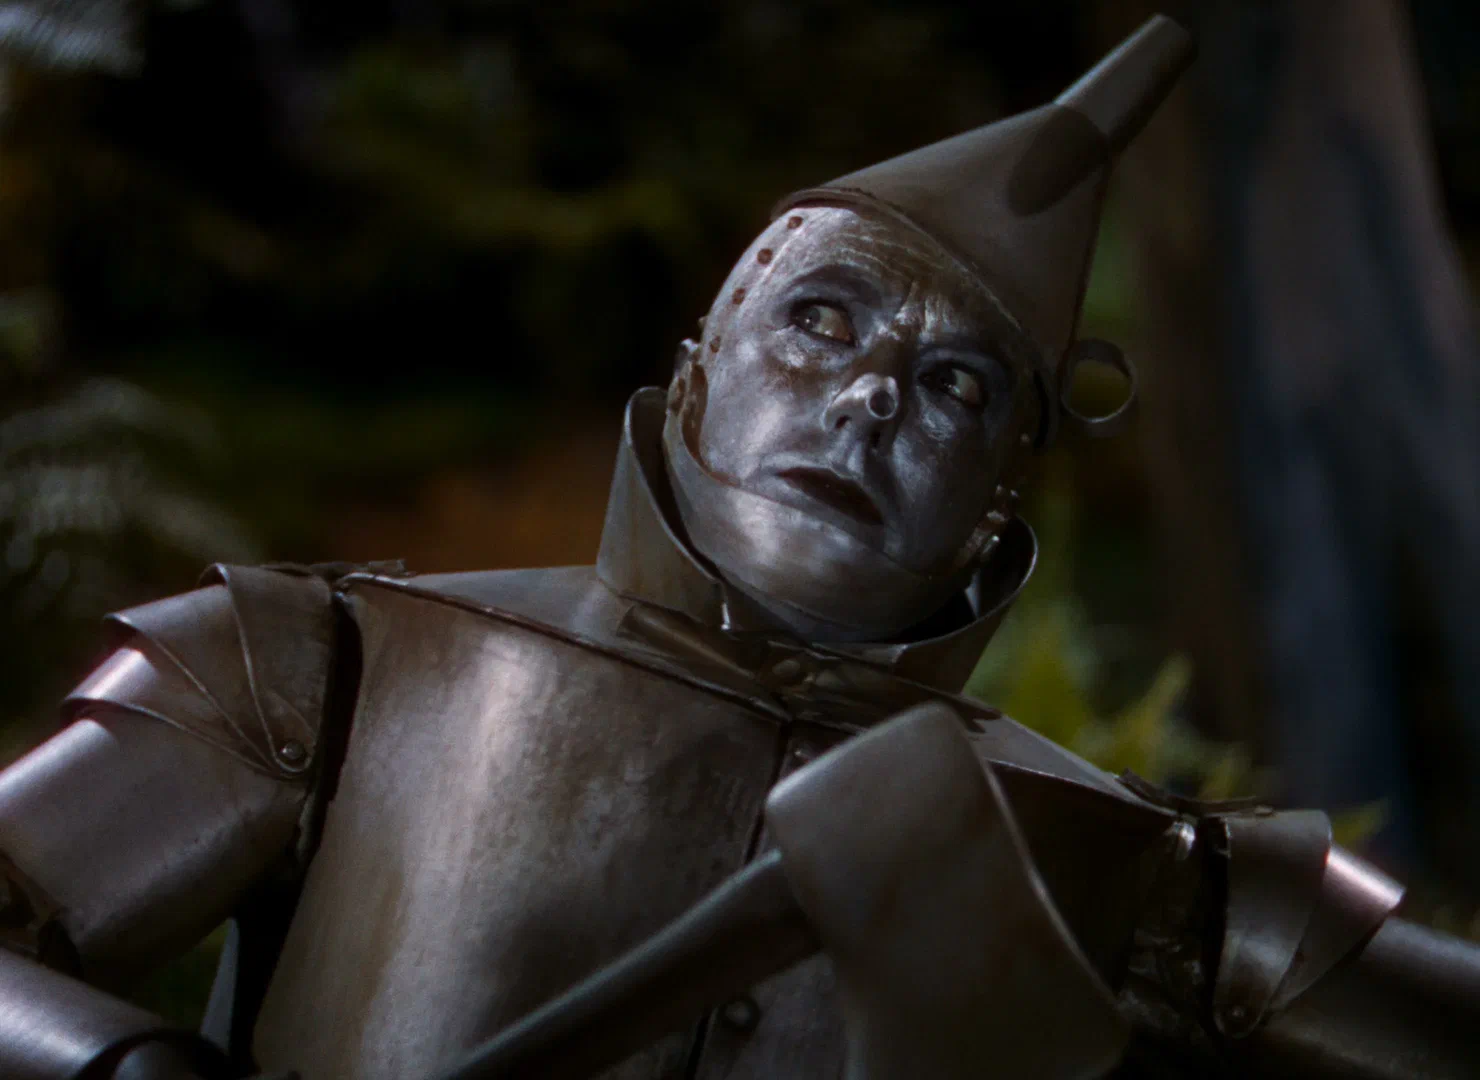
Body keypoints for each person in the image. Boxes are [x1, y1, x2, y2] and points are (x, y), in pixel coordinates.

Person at [0, 14, 1476, 1080]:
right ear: (699, 366)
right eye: (822, 317)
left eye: (961, 385)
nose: (876, 394)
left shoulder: (1123, 867)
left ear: (998, 501)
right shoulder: (316, 665)